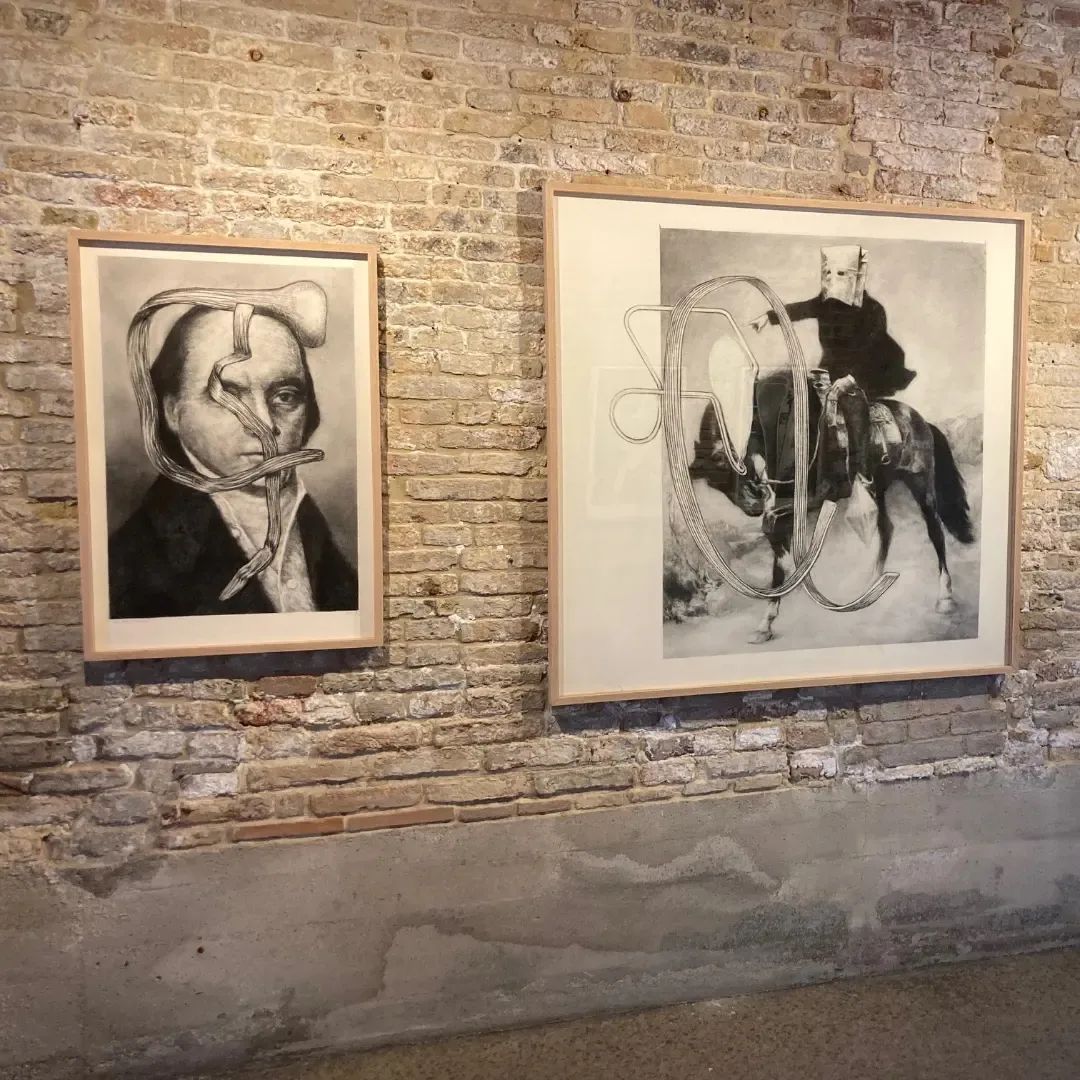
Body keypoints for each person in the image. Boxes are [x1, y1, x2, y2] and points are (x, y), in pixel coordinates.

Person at [108, 287, 358, 619]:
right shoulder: (132, 564)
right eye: (229, 396)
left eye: (285, 396)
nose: (264, 423)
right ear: (172, 411)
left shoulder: (318, 536)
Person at [750, 245, 916, 542]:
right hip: (827, 372)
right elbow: (798, 309)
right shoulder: (825, 304)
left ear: (855, 276)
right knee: (795, 403)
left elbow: (870, 351)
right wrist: (767, 316)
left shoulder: (873, 311)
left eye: (839, 273)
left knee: (853, 408)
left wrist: (850, 380)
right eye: (826, 272)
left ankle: (862, 479)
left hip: (864, 374)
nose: (830, 278)